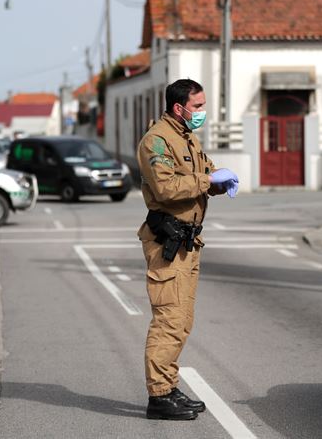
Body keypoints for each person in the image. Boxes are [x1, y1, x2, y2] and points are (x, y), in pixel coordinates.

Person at [136, 79, 239, 420]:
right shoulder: (156, 140)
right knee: (168, 319)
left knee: (182, 321)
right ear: (179, 108)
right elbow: (165, 188)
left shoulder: (186, 137)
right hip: (168, 240)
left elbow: (204, 174)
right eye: (197, 107)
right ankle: (159, 396)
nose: (202, 113)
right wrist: (207, 181)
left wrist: (219, 181)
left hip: (189, 240)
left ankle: (169, 385)